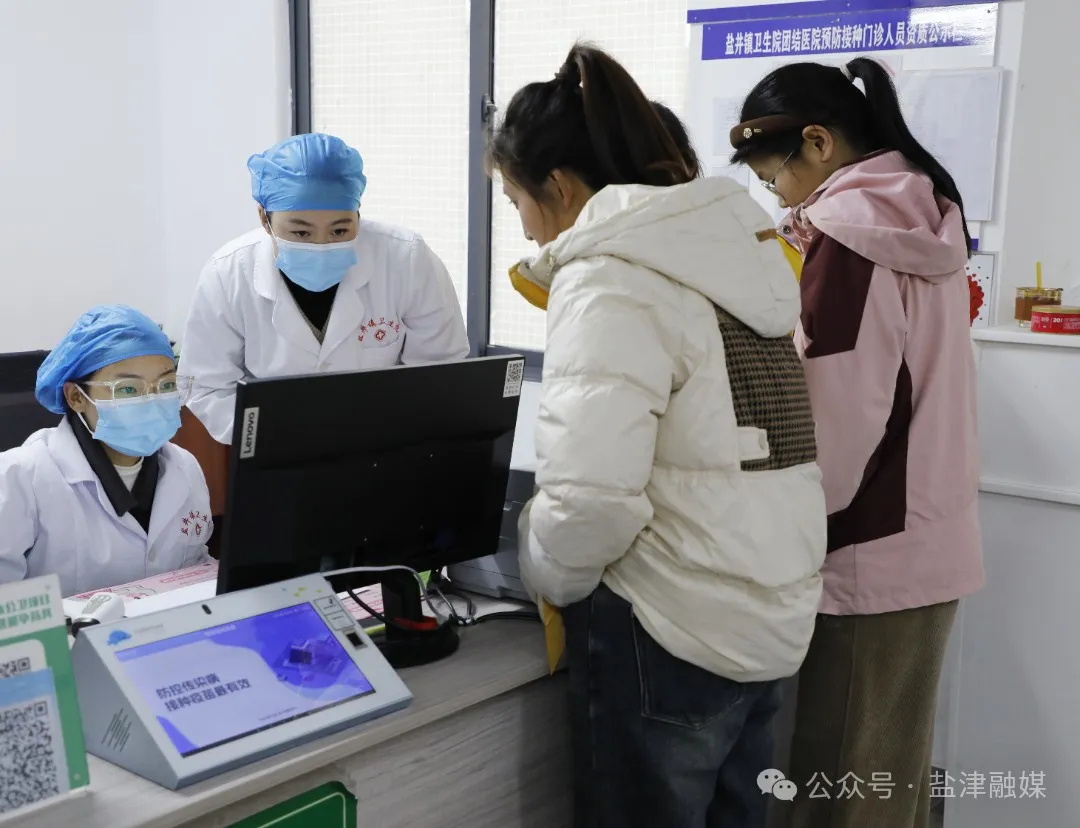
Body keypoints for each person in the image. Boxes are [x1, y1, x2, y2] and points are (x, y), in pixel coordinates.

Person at [492, 44, 826, 827]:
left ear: (560, 187)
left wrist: (538, 570)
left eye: (516, 201)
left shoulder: (612, 274)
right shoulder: (740, 255)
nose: (525, 227)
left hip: (670, 627)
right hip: (766, 608)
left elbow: (590, 501)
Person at [731, 58, 984, 828]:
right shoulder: (921, 215)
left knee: (840, 788)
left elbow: (839, 417)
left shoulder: (850, 237)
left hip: (866, 547)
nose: (779, 196)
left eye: (775, 176)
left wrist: (780, 529)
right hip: (924, 541)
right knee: (887, 784)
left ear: (818, 142)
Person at [179, 133, 470, 443]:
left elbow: (441, 371)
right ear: (264, 219)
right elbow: (208, 388)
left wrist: (381, 432)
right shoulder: (228, 274)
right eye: (301, 233)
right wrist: (284, 436)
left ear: (358, 213)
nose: (322, 245)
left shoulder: (406, 259)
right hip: (276, 450)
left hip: (387, 445)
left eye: (340, 230)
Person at [0, 306, 213, 597]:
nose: (153, 400)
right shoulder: (19, 479)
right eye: (128, 389)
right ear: (76, 397)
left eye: (166, 385)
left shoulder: (184, 467)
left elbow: (198, 570)